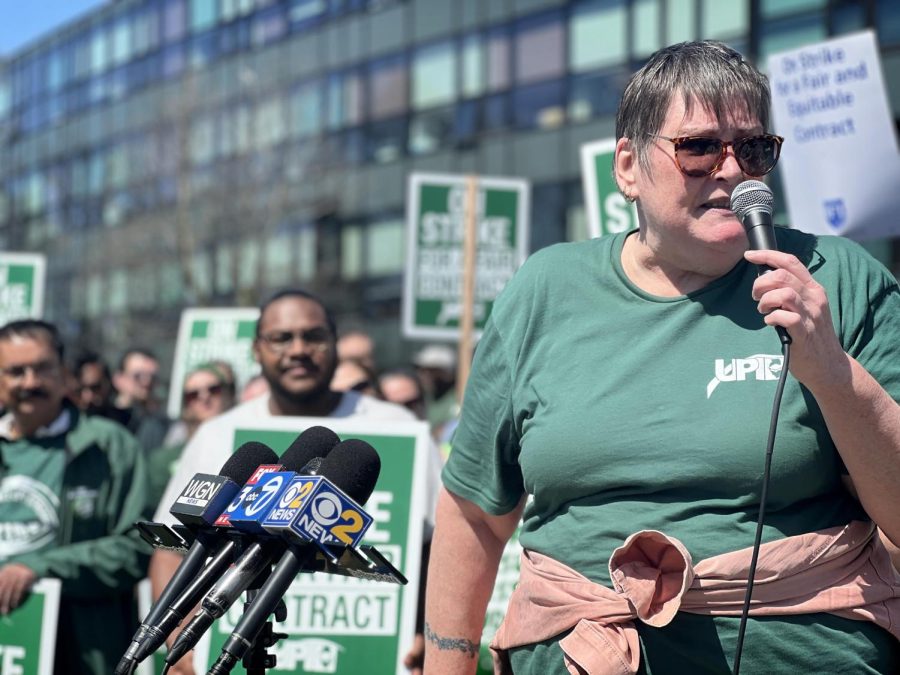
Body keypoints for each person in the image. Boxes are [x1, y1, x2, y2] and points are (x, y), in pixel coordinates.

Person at [424, 40, 900, 674]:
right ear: (628, 166)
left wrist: (832, 371)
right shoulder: (545, 289)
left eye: (753, 149)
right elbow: (474, 515)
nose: (731, 171)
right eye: (699, 148)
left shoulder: (835, 279)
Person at [150, 289, 440, 675]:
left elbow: (437, 546)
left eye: (313, 336)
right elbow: (173, 548)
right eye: (281, 338)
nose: (298, 349)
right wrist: (179, 647)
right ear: (256, 350)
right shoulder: (217, 434)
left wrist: (429, 633)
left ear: (336, 343)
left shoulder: (397, 427)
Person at [0, 320, 150, 674]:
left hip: (84, 652)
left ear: (65, 374)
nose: (30, 382)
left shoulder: (109, 446)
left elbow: (139, 548)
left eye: (42, 368)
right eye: (15, 371)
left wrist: (39, 568)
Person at [148, 361, 238, 504]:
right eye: (193, 394)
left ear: (228, 393)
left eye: (213, 389)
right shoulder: (163, 461)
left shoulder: (244, 450)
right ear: (186, 404)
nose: (204, 397)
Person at [113, 347, 171, 452]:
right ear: (119, 379)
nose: (146, 382)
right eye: (138, 376)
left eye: (152, 377)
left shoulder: (164, 426)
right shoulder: (105, 420)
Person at [71, 350, 130, 426]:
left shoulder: (128, 422)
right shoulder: (68, 425)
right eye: (79, 390)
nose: (87, 397)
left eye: (95, 388)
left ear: (108, 384)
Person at [412, 344, 459, 440]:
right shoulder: (417, 398)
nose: (425, 375)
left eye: (433, 371)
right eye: (422, 370)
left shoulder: (459, 399)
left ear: (447, 373)